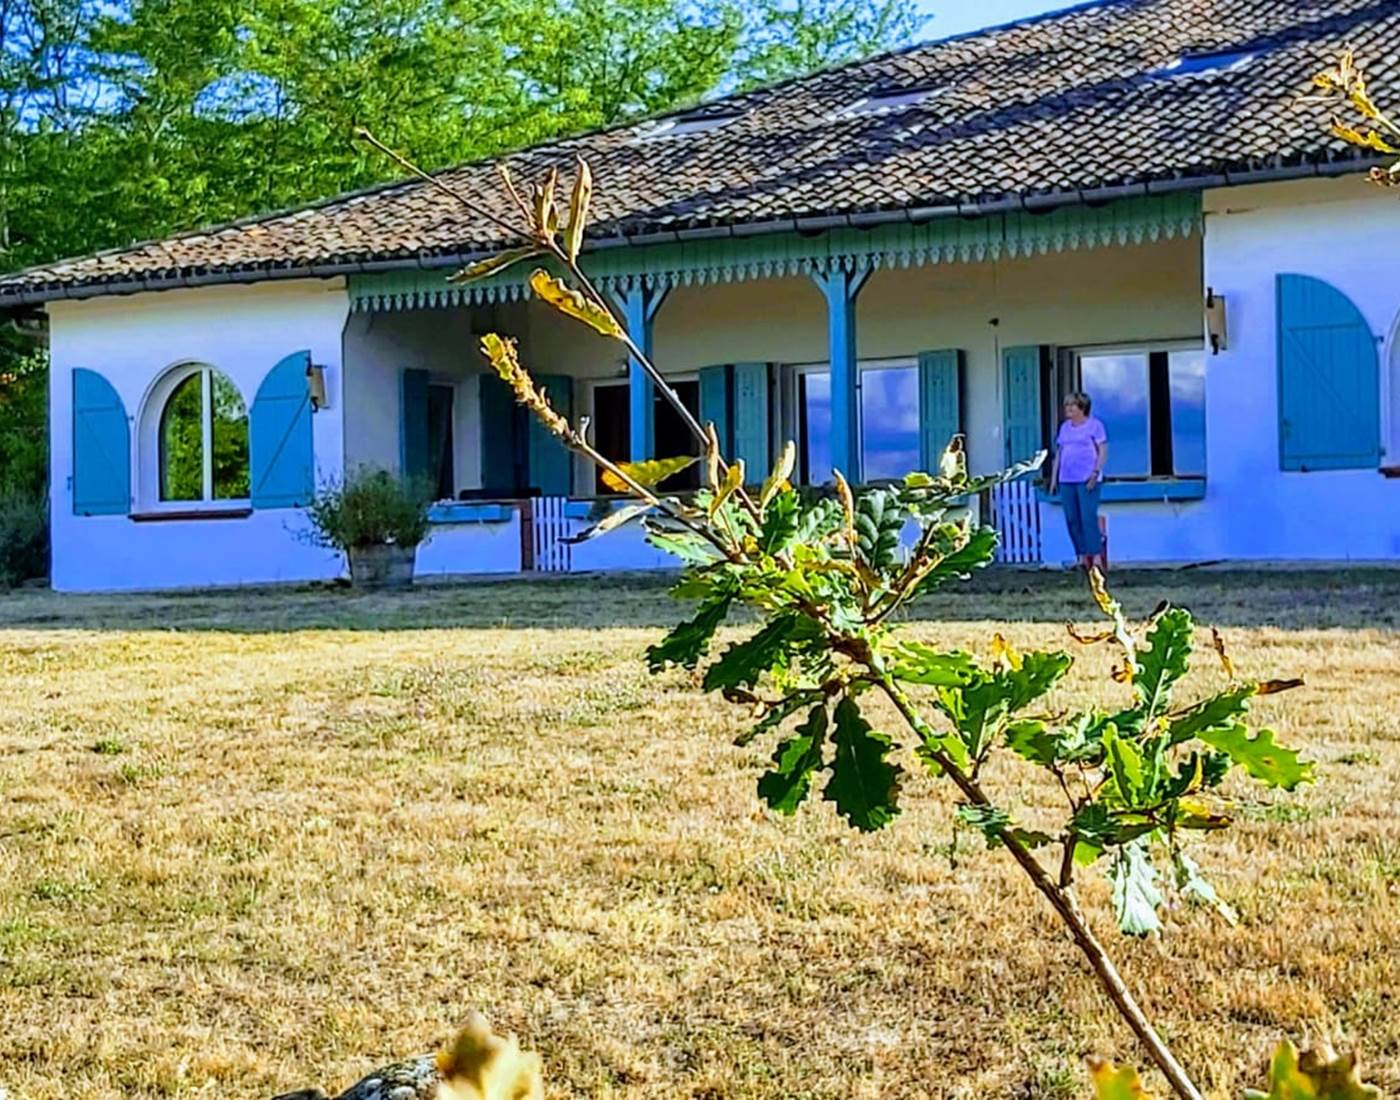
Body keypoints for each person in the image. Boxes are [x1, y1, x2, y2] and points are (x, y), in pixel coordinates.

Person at [1048, 392, 1108, 572]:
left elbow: (1102, 450)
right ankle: (1081, 556)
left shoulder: (1095, 426)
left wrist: (1095, 472)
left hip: (1087, 478)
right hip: (1067, 479)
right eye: (1066, 406)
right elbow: (1060, 453)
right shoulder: (1065, 428)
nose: (1068, 409)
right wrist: (1054, 478)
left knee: (1088, 516)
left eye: (1072, 406)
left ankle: (1096, 557)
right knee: (1072, 519)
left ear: (1082, 408)